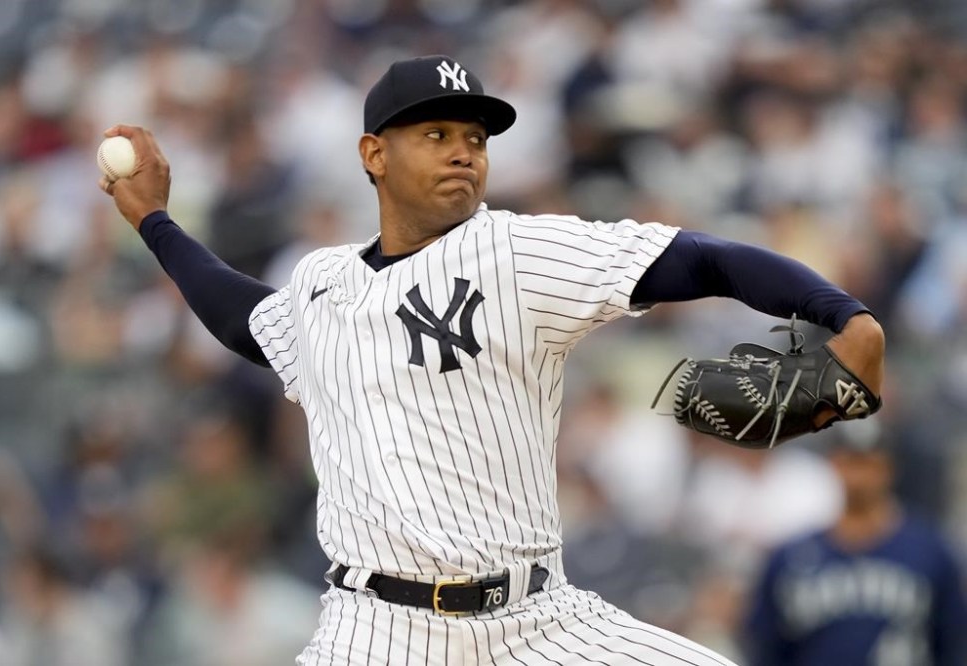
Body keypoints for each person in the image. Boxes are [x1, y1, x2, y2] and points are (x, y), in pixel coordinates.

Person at [100, 55, 884, 665]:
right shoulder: (321, 284)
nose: (463, 155)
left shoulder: (514, 250)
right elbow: (244, 320)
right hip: (376, 631)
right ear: (373, 154)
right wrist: (157, 224)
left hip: (538, 625)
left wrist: (838, 315)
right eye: (435, 135)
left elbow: (701, 259)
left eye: (475, 140)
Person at [742, 430, 967, 666]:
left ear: (889, 468)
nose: (858, 477)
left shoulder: (929, 552)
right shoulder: (790, 558)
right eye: (849, 463)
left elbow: (952, 643)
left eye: (868, 465)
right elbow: (765, 647)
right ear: (833, 465)